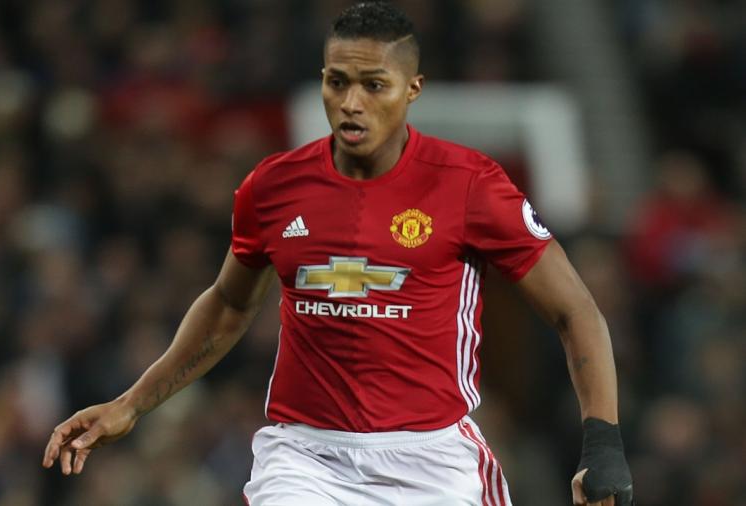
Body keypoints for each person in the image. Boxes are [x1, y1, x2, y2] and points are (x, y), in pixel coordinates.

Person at [42, 2, 634, 505]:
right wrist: (131, 404)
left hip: (431, 461)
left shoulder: (470, 185)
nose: (351, 102)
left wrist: (603, 443)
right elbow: (228, 305)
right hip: (305, 458)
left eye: (374, 85)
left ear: (412, 89)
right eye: (337, 82)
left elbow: (575, 311)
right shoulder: (272, 188)